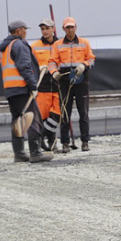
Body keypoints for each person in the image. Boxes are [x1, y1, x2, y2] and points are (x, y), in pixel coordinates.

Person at [0, 19, 52, 163]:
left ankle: (19, 153)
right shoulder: (19, 44)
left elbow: (14, 66)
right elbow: (24, 66)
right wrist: (33, 85)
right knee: (33, 118)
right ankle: (35, 153)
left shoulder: (6, 47)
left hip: (10, 89)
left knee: (18, 120)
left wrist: (36, 69)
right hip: (21, 88)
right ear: (19, 30)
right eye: (25, 29)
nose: (26, 32)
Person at [49, 17, 95, 153]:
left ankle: (85, 141)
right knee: (64, 113)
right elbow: (52, 62)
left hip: (82, 81)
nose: (70, 29)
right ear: (64, 29)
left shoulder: (84, 43)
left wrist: (84, 65)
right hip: (64, 82)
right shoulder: (57, 45)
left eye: (72, 27)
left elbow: (91, 59)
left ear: (76, 27)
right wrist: (54, 72)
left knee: (83, 113)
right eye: (67, 27)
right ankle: (65, 143)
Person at [31, 19, 62, 151]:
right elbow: (30, 65)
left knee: (56, 115)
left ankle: (42, 137)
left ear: (53, 29)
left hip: (58, 86)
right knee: (43, 116)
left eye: (47, 28)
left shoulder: (60, 44)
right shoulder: (35, 46)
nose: (44, 31)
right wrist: (39, 68)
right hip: (42, 87)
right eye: (42, 29)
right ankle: (51, 143)